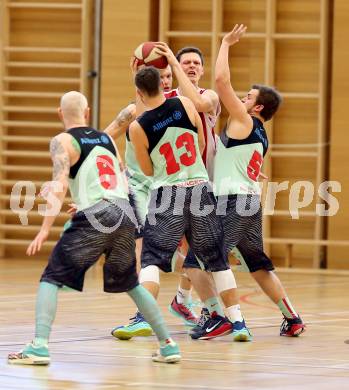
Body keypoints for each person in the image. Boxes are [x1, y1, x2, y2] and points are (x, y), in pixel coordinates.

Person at [7, 91, 181, 365]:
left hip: (97, 213)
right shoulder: (107, 140)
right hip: (124, 211)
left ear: (59, 113)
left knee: (51, 277)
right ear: (87, 113)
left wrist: (44, 229)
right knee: (132, 285)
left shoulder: (62, 141)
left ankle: (39, 345)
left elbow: (60, 184)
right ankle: (168, 345)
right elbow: (121, 179)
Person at [127, 66, 246, 343]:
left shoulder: (138, 126)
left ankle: (143, 318)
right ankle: (237, 322)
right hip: (200, 187)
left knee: (151, 259)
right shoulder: (185, 103)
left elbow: (146, 170)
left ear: (140, 93)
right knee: (217, 261)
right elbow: (202, 141)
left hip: (168, 193)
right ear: (162, 84)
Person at [214, 24, 306, 337]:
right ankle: (292, 317)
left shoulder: (243, 119)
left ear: (258, 107)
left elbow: (220, 81)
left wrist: (226, 44)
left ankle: (228, 319)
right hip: (248, 200)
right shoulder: (259, 134)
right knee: (257, 265)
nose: (241, 97)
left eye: (248, 96)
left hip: (234, 200)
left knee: (211, 256)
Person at [155, 44, 251, 341]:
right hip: (180, 185)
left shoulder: (208, 96)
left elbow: (196, 103)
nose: (192, 66)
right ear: (174, 69)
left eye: (197, 63)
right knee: (197, 253)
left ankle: (189, 303)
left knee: (201, 254)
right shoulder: (164, 103)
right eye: (186, 62)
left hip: (210, 183)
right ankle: (209, 311)